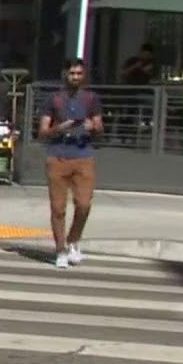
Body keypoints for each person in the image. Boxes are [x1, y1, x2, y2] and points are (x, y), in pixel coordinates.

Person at [39, 58, 103, 269]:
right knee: (58, 208)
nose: (75, 77)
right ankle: (60, 250)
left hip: (83, 156)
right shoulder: (54, 99)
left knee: (84, 204)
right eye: (72, 73)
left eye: (79, 73)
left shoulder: (91, 98)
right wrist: (60, 128)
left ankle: (73, 240)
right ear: (65, 74)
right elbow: (42, 132)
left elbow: (100, 128)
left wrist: (93, 127)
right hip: (57, 156)